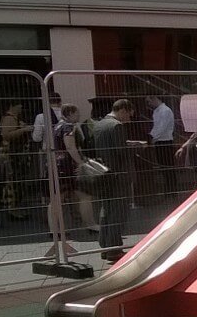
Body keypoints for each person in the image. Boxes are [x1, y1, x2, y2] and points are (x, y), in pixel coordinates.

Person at [94, 99, 134, 263]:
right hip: (119, 175)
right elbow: (121, 151)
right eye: (129, 115)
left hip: (104, 174)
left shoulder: (100, 125)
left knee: (106, 210)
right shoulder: (116, 126)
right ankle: (114, 248)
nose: (129, 119)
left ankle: (105, 246)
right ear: (123, 110)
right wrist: (135, 147)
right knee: (118, 211)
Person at [49, 105, 99, 235]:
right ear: (70, 113)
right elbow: (71, 147)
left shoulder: (57, 126)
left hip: (58, 164)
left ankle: (54, 229)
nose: (79, 116)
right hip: (68, 166)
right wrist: (81, 163)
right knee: (84, 195)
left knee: (57, 198)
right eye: (77, 113)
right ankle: (90, 224)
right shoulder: (68, 127)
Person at [146, 96, 176, 196]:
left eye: (149, 101)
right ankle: (168, 190)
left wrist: (152, 138)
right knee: (163, 167)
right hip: (159, 141)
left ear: (154, 98)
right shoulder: (157, 111)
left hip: (165, 141)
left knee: (168, 167)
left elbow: (161, 128)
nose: (149, 103)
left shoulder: (165, 111)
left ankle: (172, 191)